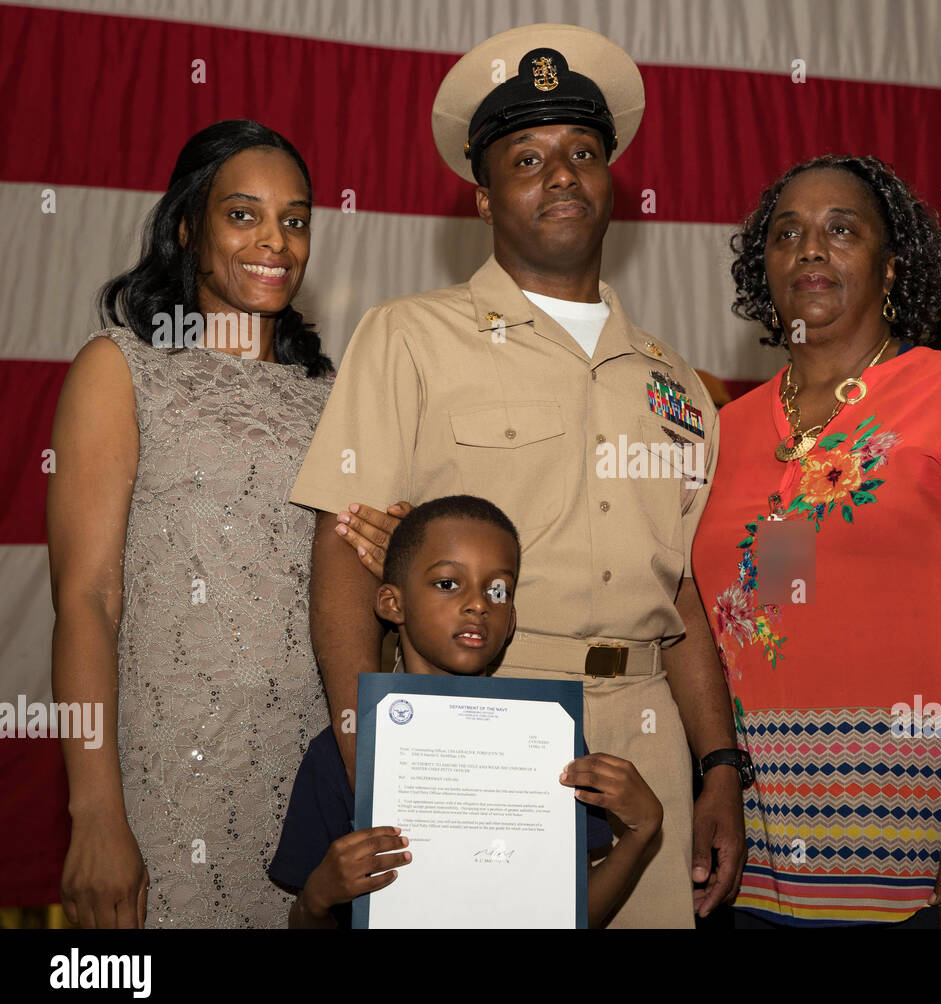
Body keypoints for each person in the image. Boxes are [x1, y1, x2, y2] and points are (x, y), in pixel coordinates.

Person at [291, 24, 743, 928]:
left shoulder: (679, 385)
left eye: (582, 151)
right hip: (479, 730)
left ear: (613, 180)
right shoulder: (408, 337)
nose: (563, 174)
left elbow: (683, 592)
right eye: (527, 158)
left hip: (647, 742)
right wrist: (369, 759)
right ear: (483, 198)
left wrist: (718, 768)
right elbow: (344, 555)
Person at [690, 154, 941, 929]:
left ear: (893, 266)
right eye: (786, 234)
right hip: (763, 857)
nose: (810, 250)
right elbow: (751, 606)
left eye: (841, 230)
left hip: (932, 843)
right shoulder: (724, 432)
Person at [47, 120, 399, 928]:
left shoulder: (337, 394)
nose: (276, 240)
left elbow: (364, 606)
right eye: (243, 215)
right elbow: (88, 599)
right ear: (186, 227)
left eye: (296, 219)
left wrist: (395, 552)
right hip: (171, 782)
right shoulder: (121, 367)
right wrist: (95, 814)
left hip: (313, 777)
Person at [269, 496, 664, 928]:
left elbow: (570, 914)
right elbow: (304, 919)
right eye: (447, 583)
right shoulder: (342, 752)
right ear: (392, 603)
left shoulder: (549, 739)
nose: (478, 604)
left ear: (510, 620)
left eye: (498, 590)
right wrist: (318, 898)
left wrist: (643, 830)